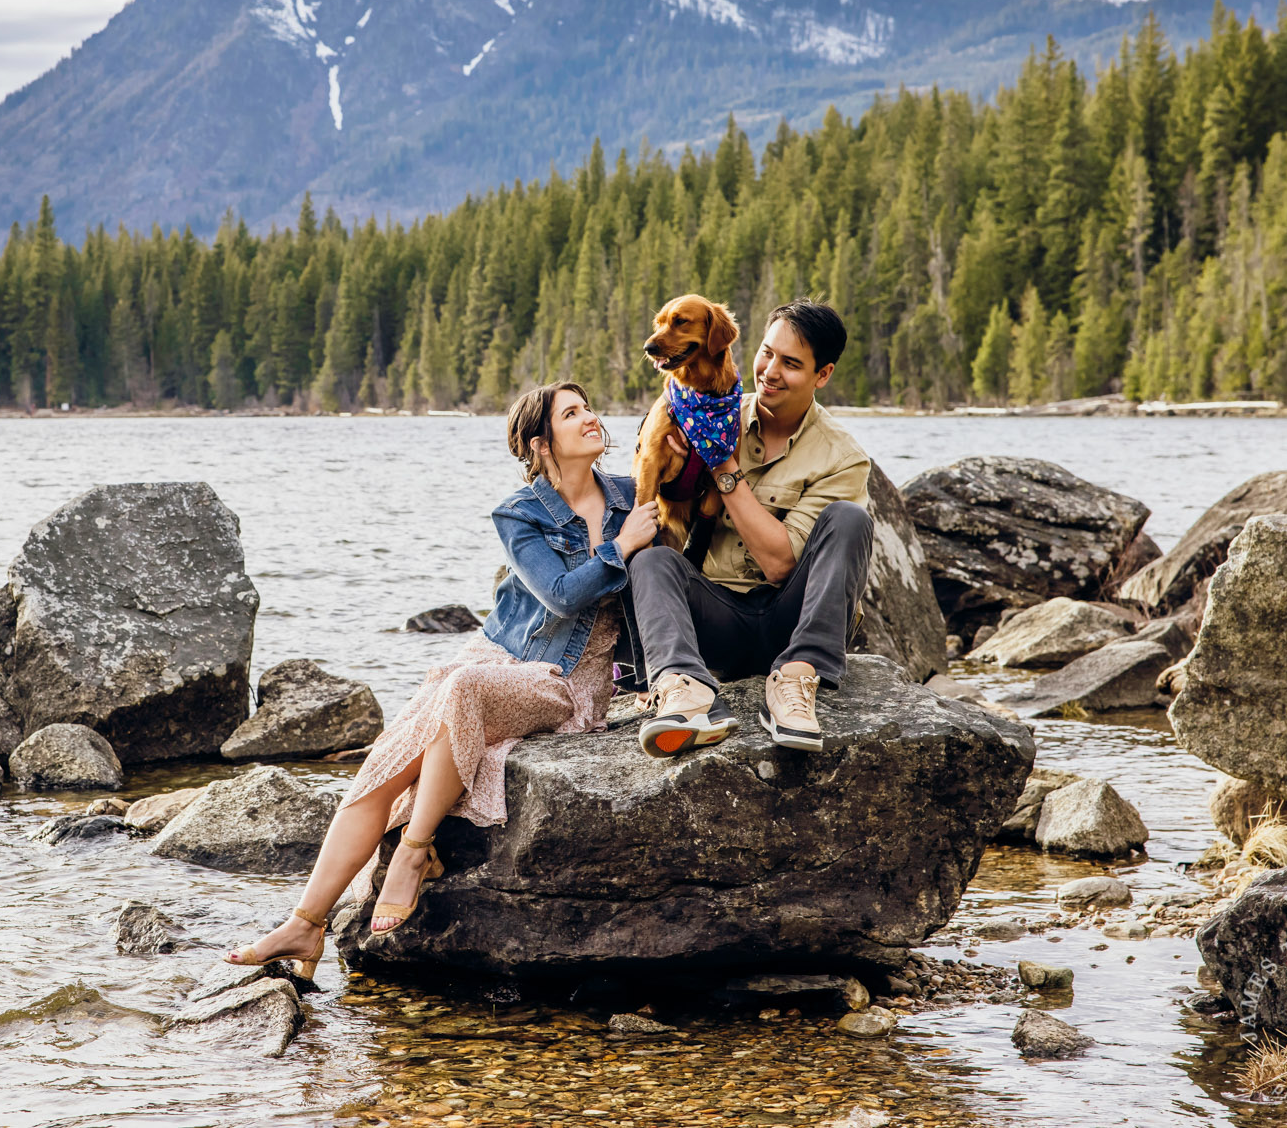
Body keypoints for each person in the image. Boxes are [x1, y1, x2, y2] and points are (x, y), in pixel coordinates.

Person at [224, 381, 660, 978]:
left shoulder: (633, 494)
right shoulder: (521, 513)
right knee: (382, 768)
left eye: (587, 408)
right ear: (540, 443)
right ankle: (305, 924)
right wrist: (622, 546)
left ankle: (413, 851)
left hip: (564, 681)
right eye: (572, 413)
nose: (591, 418)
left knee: (461, 694)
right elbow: (560, 597)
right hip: (495, 659)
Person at [631, 298, 873, 759]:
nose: (770, 372)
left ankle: (797, 682)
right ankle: (684, 692)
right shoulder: (711, 410)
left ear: (823, 375)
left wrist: (720, 462)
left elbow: (782, 564)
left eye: (791, 363)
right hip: (715, 618)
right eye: (767, 353)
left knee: (850, 518)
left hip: (790, 620)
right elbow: (664, 510)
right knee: (653, 560)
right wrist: (676, 474)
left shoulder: (842, 457)